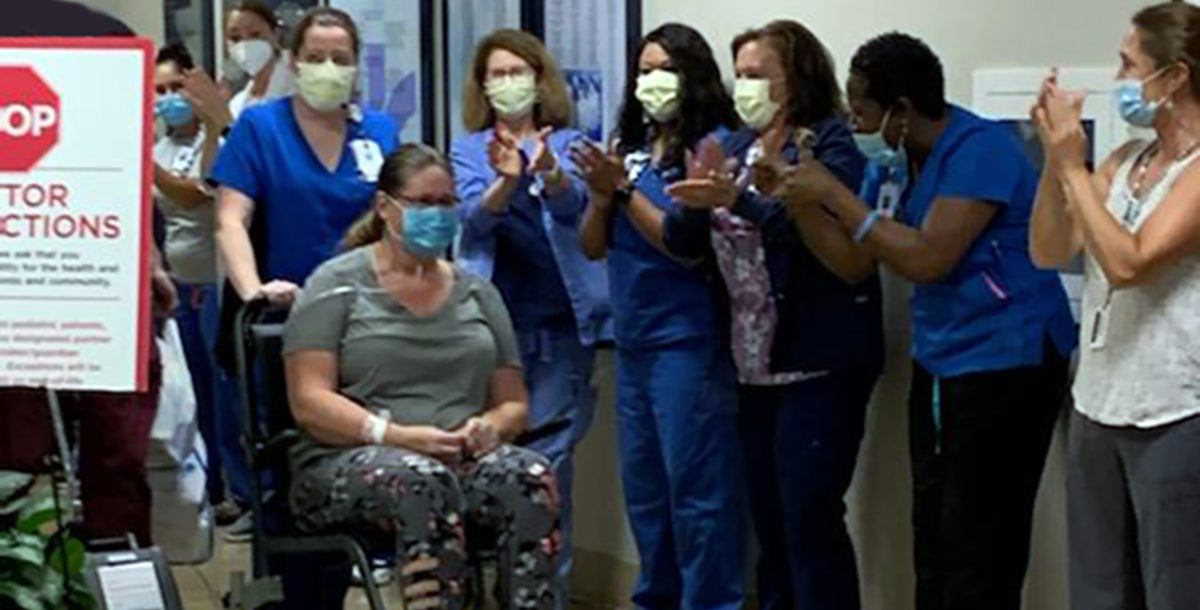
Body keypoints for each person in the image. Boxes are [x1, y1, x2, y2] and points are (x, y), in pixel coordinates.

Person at [771, 32, 1077, 610]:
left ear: (902, 111)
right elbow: (853, 264)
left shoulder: (980, 149)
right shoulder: (894, 164)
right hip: (942, 363)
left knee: (980, 548)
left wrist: (835, 193)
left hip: (1008, 365)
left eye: (861, 108)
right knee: (933, 536)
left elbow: (929, 259)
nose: (854, 122)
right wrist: (801, 201)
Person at [661, 20, 883, 610]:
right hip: (750, 363)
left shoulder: (827, 144)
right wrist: (697, 197)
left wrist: (742, 201)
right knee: (769, 520)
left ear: (796, 79)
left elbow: (827, 244)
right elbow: (686, 243)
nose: (745, 87)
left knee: (809, 513)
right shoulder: (731, 145)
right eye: (741, 75)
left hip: (818, 360)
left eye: (758, 75)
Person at [285, 143, 559, 610]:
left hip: (457, 455)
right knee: (421, 480)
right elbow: (309, 402)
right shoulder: (337, 284)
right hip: (348, 459)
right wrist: (395, 436)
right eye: (422, 204)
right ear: (385, 207)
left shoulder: (477, 293)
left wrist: (490, 427)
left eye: (446, 203)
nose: (437, 215)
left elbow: (514, 404)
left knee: (531, 476)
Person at [1029, 3, 1200, 608]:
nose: (1119, 77)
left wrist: (1074, 167)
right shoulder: (1126, 161)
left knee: (1173, 586)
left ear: (1174, 76)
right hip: (1098, 400)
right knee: (1098, 587)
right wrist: (1057, 163)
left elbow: (1129, 263)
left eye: (1129, 64)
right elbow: (1050, 249)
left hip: (1175, 409)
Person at [209, 6, 399, 540]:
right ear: (293, 61)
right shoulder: (261, 127)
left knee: (362, 451)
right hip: (285, 323)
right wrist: (254, 293)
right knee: (292, 466)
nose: (329, 68)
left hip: (365, 323)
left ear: (358, 65)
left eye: (341, 58)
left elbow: (396, 218)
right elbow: (230, 219)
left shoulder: (379, 132)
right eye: (315, 58)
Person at [574, 23, 744, 610]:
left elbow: (684, 242)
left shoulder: (714, 147)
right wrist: (602, 196)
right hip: (635, 343)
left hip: (689, 343)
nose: (650, 83)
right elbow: (593, 245)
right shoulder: (631, 149)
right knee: (647, 495)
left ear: (693, 76)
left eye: (663, 70)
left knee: (699, 495)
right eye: (643, 71)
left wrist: (622, 193)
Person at [0, 0, 177, 546]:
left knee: (111, 460)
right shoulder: (106, 34)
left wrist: (148, 256)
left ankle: (113, 582)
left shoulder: (105, 37)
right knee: (32, 462)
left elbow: (127, 163)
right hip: (34, 280)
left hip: (102, 278)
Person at [451, 29, 611, 606]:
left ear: (540, 80)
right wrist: (505, 182)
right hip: (493, 332)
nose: (508, 83)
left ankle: (545, 596)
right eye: (497, 74)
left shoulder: (569, 143)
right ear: (482, 85)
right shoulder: (469, 149)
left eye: (519, 72)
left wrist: (548, 172)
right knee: (487, 461)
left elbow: (579, 210)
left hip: (561, 328)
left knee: (549, 474)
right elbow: (471, 222)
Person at [151, 43, 236, 514]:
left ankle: (236, 490)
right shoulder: (158, 147)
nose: (168, 98)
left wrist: (150, 169)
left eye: (177, 87)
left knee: (224, 395)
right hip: (175, 286)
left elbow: (195, 195)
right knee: (194, 393)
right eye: (159, 91)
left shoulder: (214, 139)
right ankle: (211, 486)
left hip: (212, 284)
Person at [225, 0, 296, 121]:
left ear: (275, 34)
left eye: (254, 34)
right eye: (235, 38)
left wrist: (222, 119)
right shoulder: (237, 103)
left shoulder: (299, 85)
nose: (245, 44)